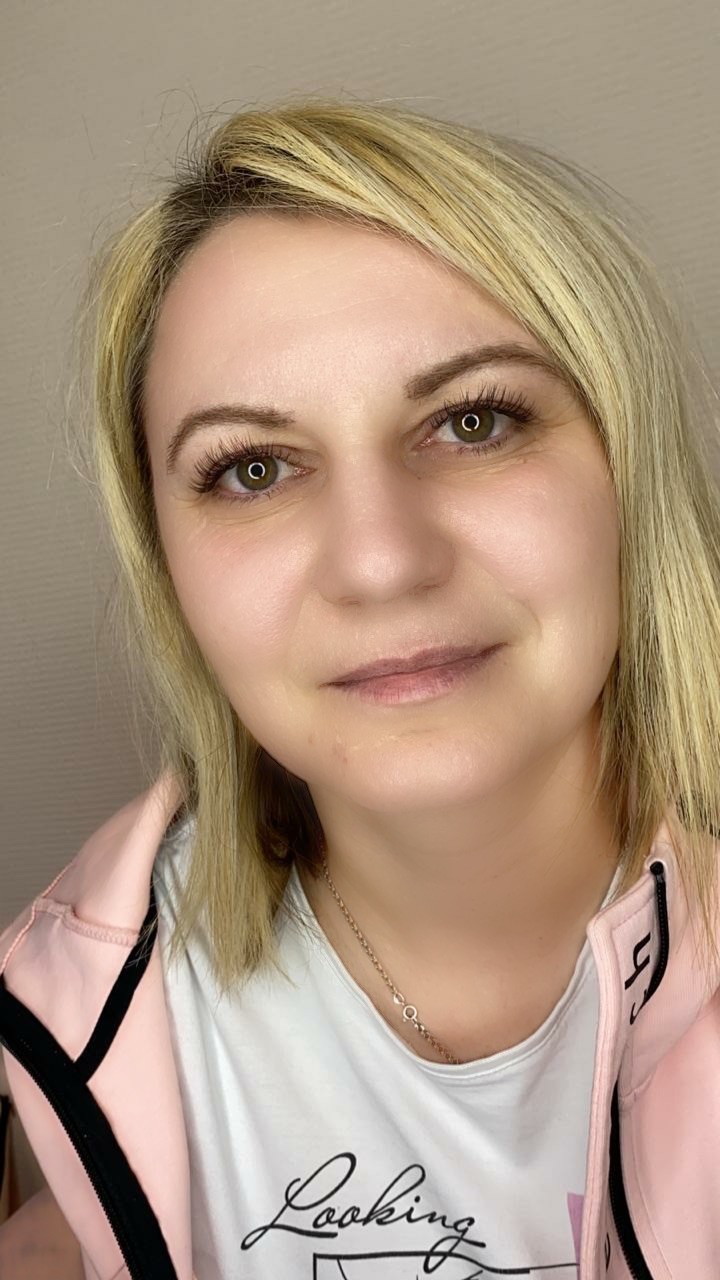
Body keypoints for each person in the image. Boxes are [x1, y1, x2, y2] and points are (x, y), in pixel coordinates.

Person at [1, 96, 719, 1280]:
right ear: (171, 569)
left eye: (473, 420)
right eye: (254, 468)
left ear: (625, 471)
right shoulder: (84, 1018)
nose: (381, 561)